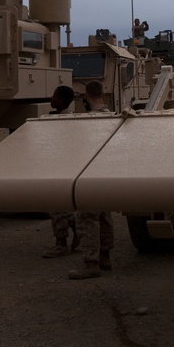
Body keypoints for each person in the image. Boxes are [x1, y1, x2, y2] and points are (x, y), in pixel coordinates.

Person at [69, 80, 114, 279]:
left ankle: (90, 263)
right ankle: (105, 257)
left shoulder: (87, 121)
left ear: (87, 95)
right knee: (105, 217)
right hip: (106, 175)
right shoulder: (113, 117)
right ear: (102, 94)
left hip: (90, 176)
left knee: (87, 218)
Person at [42, 84, 79, 258]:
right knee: (64, 207)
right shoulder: (72, 118)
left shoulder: (59, 121)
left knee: (56, 207)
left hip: (57, 170)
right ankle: (77, 231)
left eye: (55, 96)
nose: (51, 98)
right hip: (66, 169)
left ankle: (61, 243)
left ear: (62, 100)